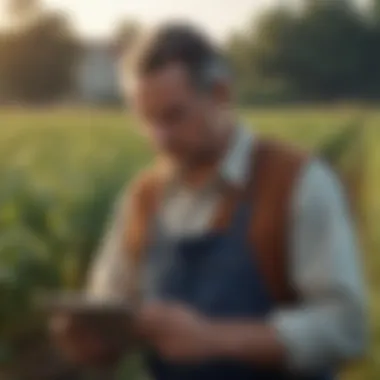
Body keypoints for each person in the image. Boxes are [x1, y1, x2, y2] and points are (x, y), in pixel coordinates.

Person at [50, 24, 367, 379]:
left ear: (220, 94)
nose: (159, 138)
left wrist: (213, 339)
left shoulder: (297, 181)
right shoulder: (141, 199)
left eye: (173, 116)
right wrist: (97, 341)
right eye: (146, 120)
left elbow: (347, 328)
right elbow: (108, 302)